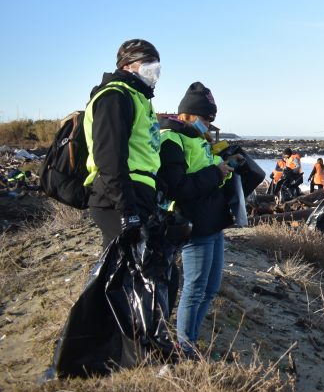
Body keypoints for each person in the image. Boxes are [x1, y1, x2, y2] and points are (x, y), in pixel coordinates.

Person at [157, 82, 235, 358]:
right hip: (192, 224)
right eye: (205, 118)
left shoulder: (198, 139)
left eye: (211, 119)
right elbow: (179, 188)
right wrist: (216, 173)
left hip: (213, 222)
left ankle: (190, 340)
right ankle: (184, 346)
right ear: (188, 115)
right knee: (195, 288)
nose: (208, 123)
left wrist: (223, 169)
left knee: (211, 288)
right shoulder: (171, 140)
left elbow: (204, 178)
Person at [84, 39, 163, 248]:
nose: (154, 69)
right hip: (118, 196)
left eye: (156, 63)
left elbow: (146, 153)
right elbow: (109, 157)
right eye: (146, 62)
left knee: (131, 268)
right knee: (124, 268)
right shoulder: (116, 96)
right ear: (126, 65)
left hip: (138, 192)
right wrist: (127, 209)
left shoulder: (140, 98)